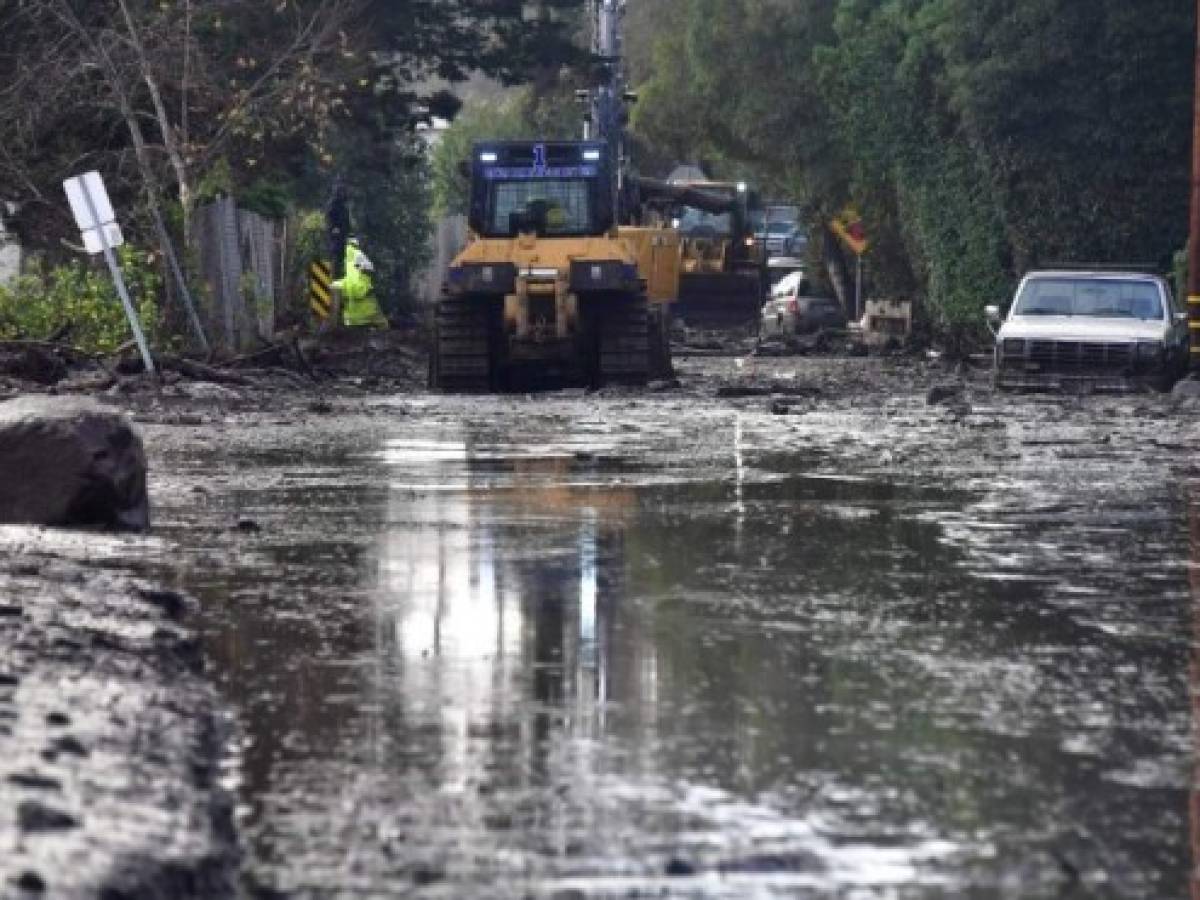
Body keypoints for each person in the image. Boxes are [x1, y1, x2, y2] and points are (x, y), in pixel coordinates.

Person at [333, 237, 388, 329]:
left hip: (352, 301)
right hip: (364, 295)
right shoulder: (358, 254)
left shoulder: (347, 258)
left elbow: (350, 275)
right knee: (380, 322)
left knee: (356, 323)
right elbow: (370, 268)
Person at [325, 177, 351, 279]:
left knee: (343, 256)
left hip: (344, 234)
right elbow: (330, 218)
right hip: (336, 234)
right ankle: (334, 275)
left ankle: (340, 275)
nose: (343, 194)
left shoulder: (344, 206)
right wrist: (334, 228)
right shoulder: (333, 204)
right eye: (341, 192)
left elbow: (347, 221)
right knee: (336, 254)